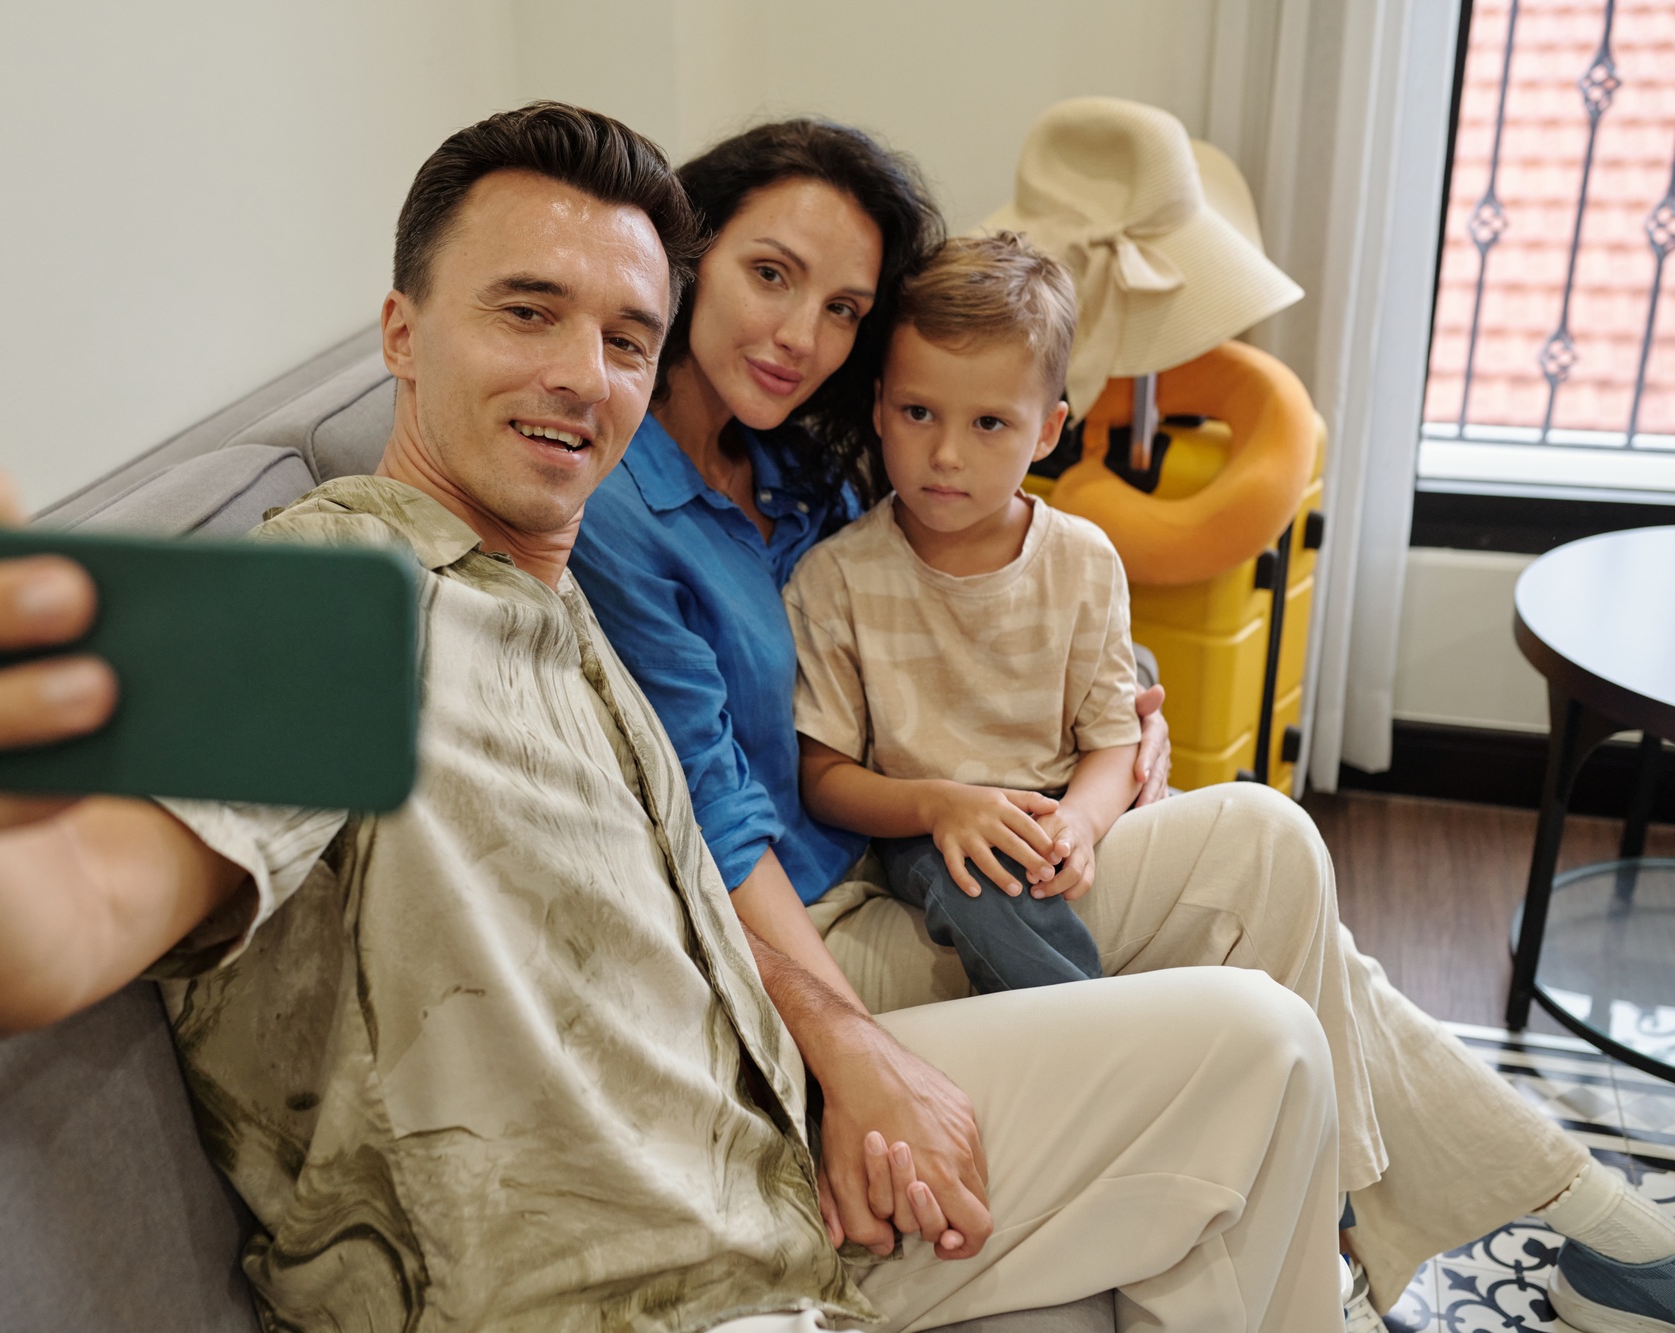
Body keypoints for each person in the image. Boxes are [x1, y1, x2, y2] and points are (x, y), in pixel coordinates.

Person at [0, 103, 1346, 1330]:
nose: (584, 372)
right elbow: (62, 915)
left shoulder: (557, 599)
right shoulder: (347, 591)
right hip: (624, 1295)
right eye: (526, 312)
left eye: (626, 336)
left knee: (1258, 1050)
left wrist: (842, 1049)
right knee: (1247, 1050)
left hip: (768, 1167)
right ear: (402, 335)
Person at [569, 116, 1675, 1331]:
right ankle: (1502, 1222)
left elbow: (982, 587)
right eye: (769, 274)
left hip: (923, 872)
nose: (800, 336)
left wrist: (1123, 715)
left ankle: (1406, 1211)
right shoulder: (622, 506)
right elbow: (722, 815)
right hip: (816, 937)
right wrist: (839, 1044)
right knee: (1265, 917)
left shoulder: (790, 457)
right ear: (689, 254)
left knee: (1264, 847)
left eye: (842, 307)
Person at [788, 233, 1123, 996]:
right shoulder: (837, 578)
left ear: (1047, 430)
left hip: (1057, 813)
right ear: (879, 407)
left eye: (988, 424)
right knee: (985, 880)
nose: (945, 454)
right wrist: (941, 804)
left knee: (1253, 840)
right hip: (924, 830)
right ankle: (1102, 1033)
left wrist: (1081, 822)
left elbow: (1113, 743)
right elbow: (825, 775)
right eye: (918, 412)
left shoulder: (1085, 561)